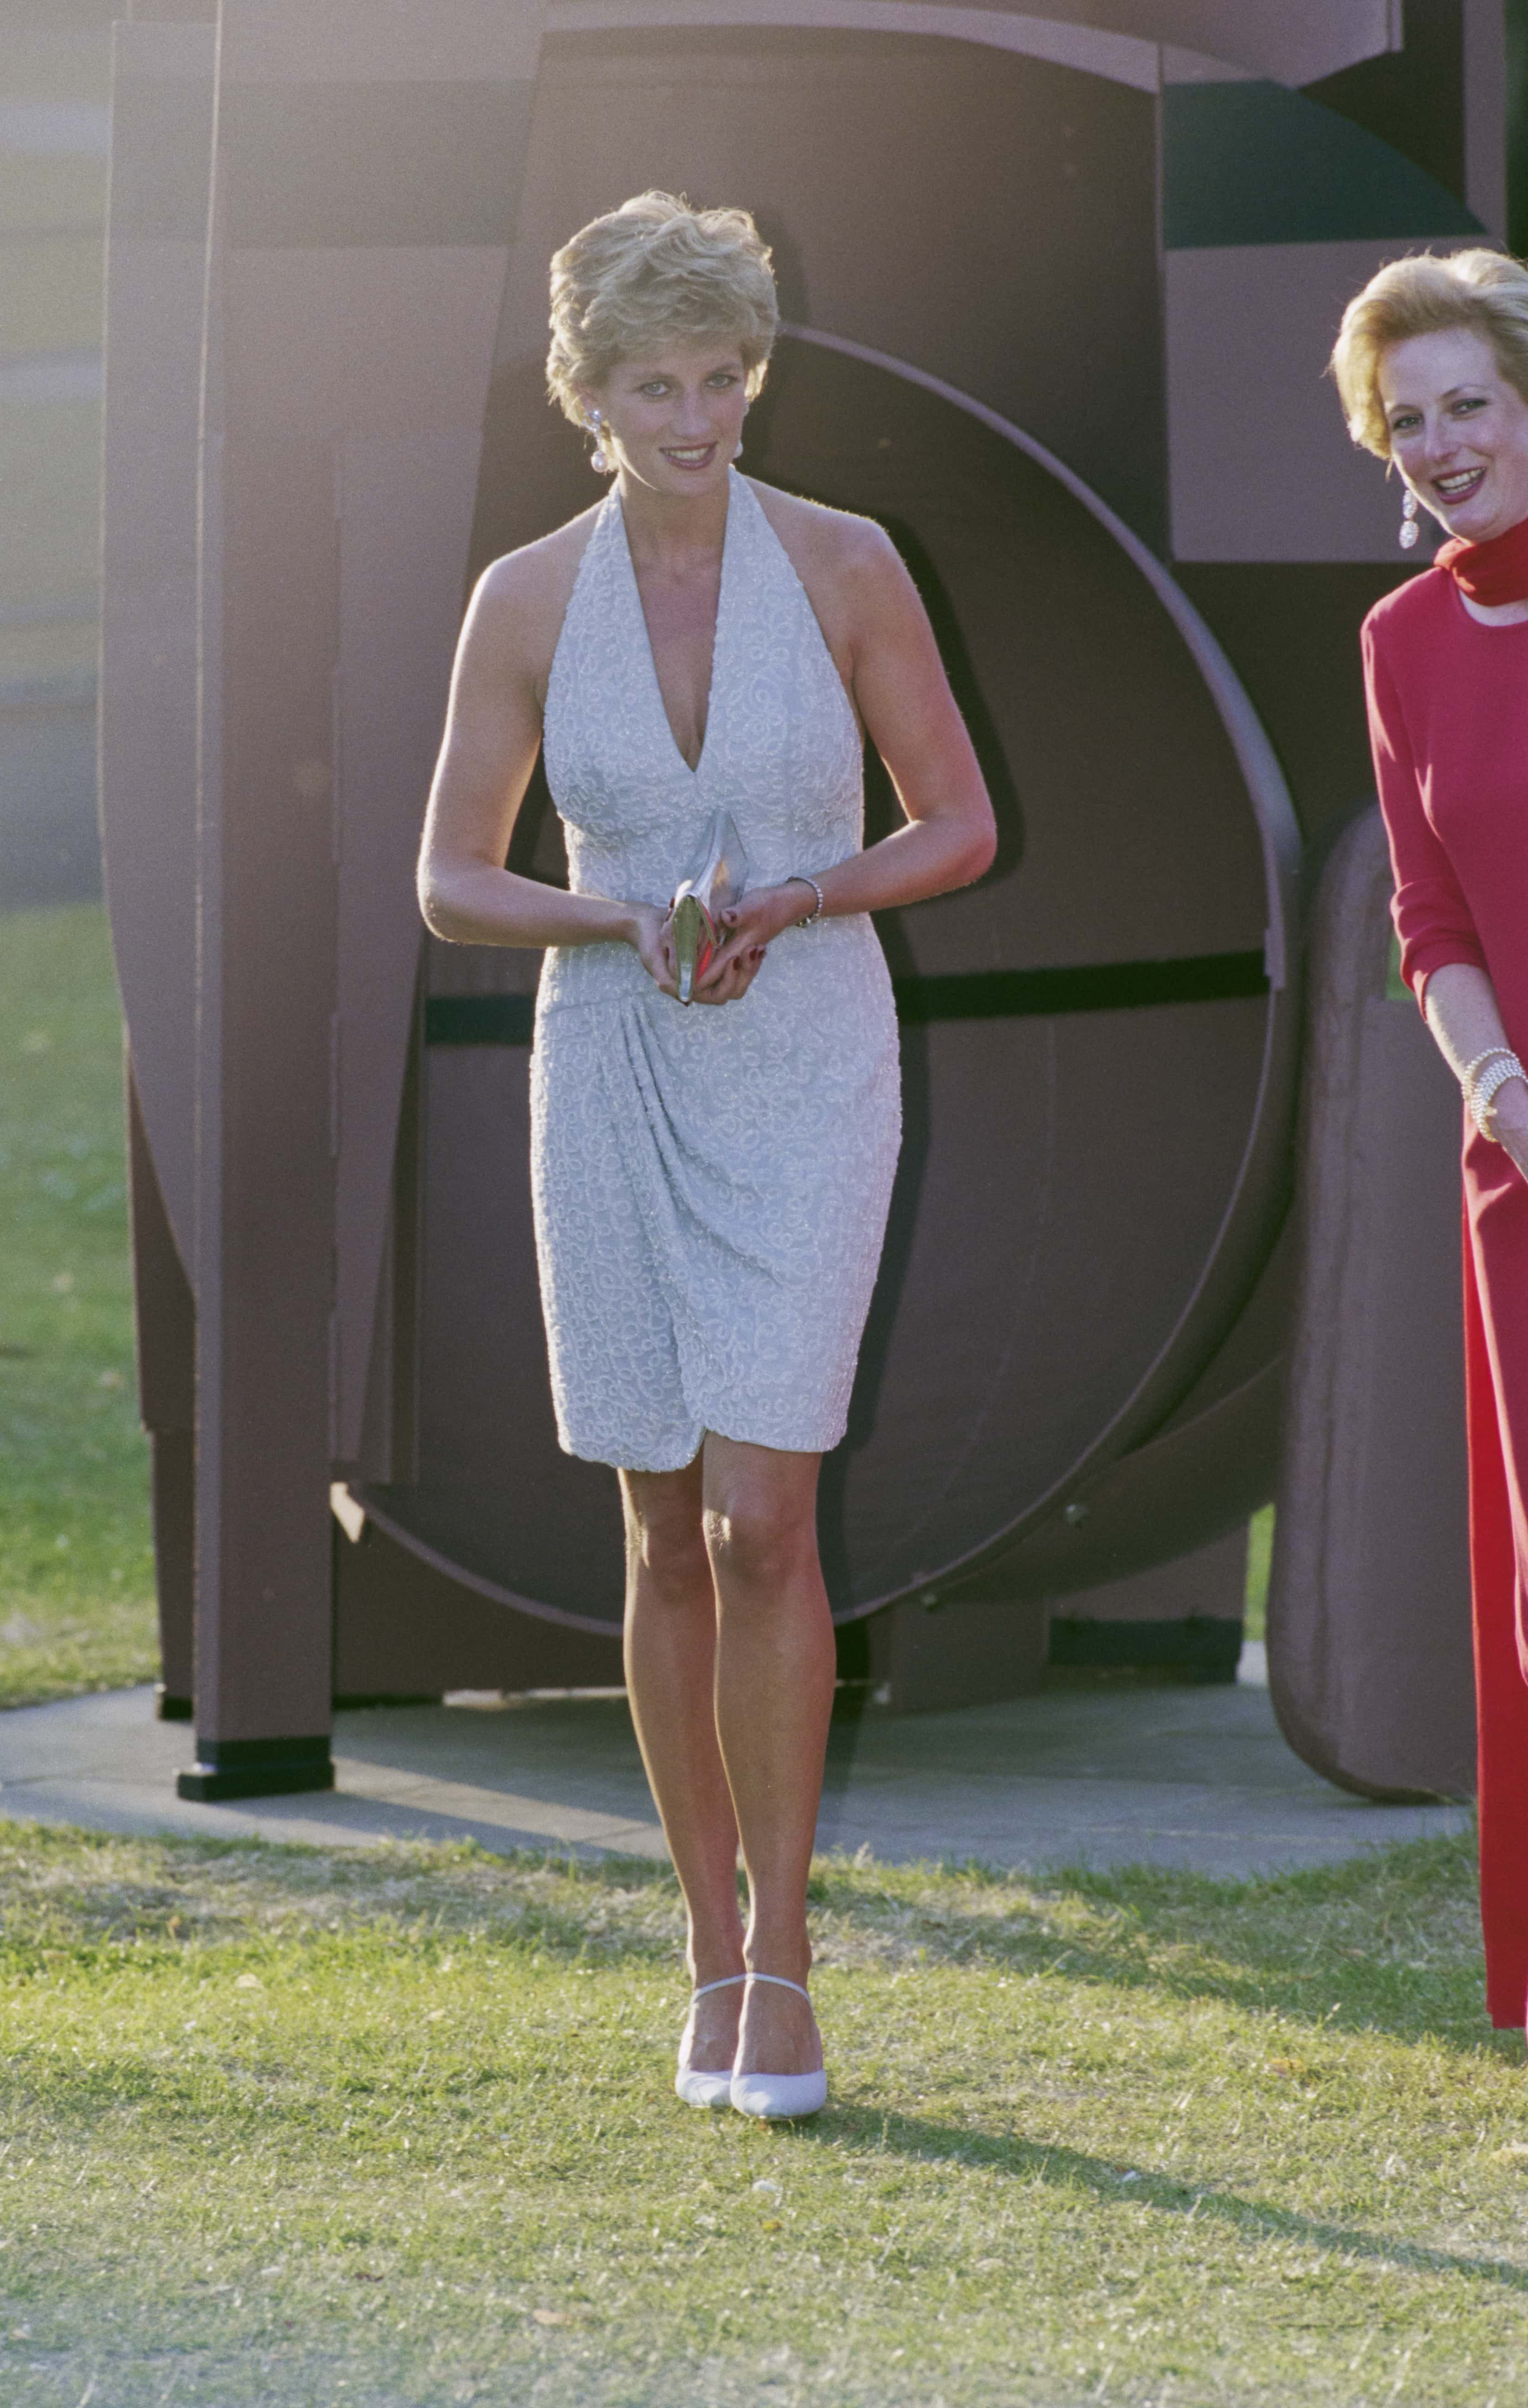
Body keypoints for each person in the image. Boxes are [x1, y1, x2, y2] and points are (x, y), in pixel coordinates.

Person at [417, 194, 995, 2114]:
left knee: (764, 1515)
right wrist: (624, 920)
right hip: (607, 1070)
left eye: (724, 377)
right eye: (655, 383)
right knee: (660, 1525)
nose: (695, 416)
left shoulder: (842, 562)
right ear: (587, 391)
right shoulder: (518, 597)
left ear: (758, 374)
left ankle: (790, 1961)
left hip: (809, 1057)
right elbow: (447, 876)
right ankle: (701, 1943)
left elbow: (960, 825)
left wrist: (796, 897)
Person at [1333, 247, 1528, 2036]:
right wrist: (1493, 1089)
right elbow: (1427, 921)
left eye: (1466, 400)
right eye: (1407, 421)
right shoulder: (1396, 645)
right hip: (1520, 1171)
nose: (1441, 442)